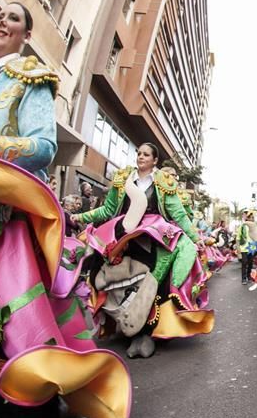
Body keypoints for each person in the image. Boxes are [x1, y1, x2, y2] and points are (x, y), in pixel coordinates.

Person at [0, 2, 131, 418]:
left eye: (13, 18)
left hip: (4, 218)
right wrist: (93, 221)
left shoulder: (29, 78)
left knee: (12, 319)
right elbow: (107, 207)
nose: (1, 22)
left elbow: (44, 148)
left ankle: (29, 413)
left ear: (27, 35)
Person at [72, 142, 206, 357]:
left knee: (154, 282)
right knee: (104, 273)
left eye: (146, 154)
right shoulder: (123, 179)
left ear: (155, 160)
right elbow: (107, 210)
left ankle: (145, 332)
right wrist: (79, 217)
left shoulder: (163, 183)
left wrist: (195, 238)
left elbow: (179, 214)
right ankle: (125, 324)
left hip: (153, 238)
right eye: (139, 153)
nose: (141, 157)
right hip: (124, 235)